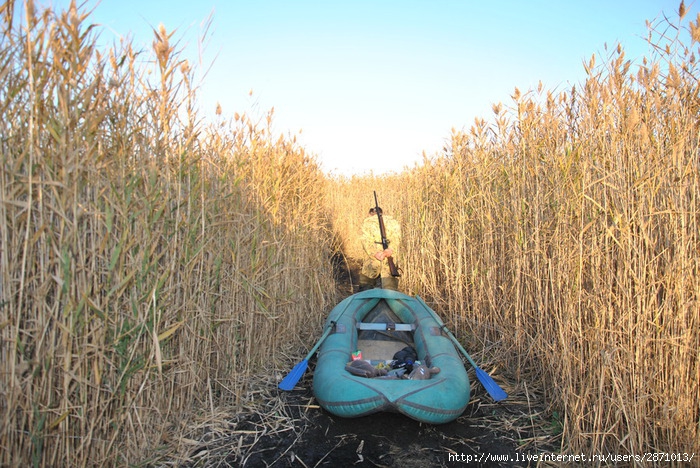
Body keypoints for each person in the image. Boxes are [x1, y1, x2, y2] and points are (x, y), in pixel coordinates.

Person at [359, 206, 401, 291]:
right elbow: (397, 238)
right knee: (390, 289)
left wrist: (374, 253)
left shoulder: (367, 223)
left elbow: (365, 241)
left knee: (366, 289)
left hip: (372, 261)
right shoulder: (393, 222)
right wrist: (389, 250)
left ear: (370, 214)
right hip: (388, 258)